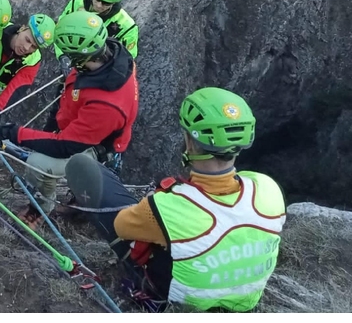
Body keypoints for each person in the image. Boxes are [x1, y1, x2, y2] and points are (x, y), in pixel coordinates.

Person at [65, 87, 285, 313]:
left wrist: (151, 203)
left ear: (190, 143)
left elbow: (122, 226)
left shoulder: (166, 206)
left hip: (183, 301)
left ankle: (150, 294)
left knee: (83, 166)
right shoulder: (268, 189)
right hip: (245, 301)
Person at [0, 11, 138, 223]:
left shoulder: (107, 103)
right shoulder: (109, 57)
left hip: (94, 146)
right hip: (77, 126)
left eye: (70, 56)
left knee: (38, 163)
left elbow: (65, 146)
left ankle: (40, 207)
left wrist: (10, 132)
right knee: (43, 149)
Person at [56, 0, 138, 63]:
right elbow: (59, 31)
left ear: (115, 2)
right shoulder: (76, 3)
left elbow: (128, 60)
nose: (99, 5)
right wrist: (62, 56)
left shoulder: (127, 27)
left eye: (106, 3)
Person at [0, 13, 55, 113]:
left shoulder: (33, 60)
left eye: (34, 47)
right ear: (22, 28)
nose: (27, 48)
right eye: (27, 40)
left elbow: (16, 88)